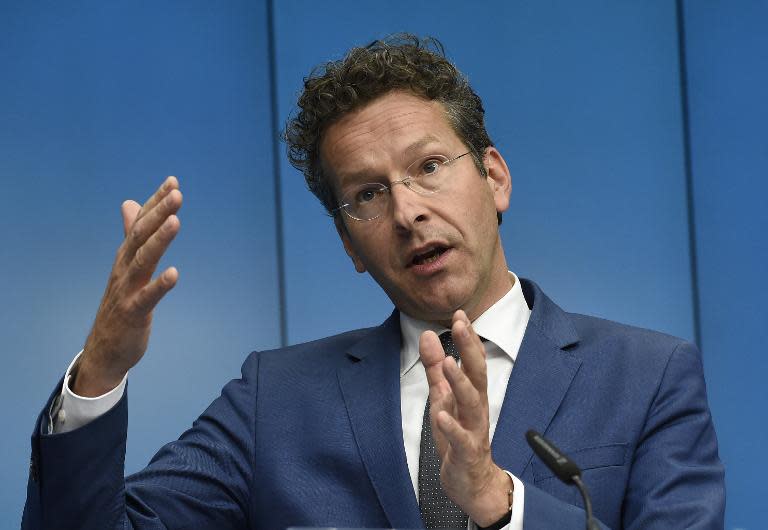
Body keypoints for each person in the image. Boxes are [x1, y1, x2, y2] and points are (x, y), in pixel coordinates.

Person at [23, 34, 724, 529]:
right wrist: (101, 371)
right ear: (348, 243)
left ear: (495, 177)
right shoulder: (277, 400)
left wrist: (496, 500)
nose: (408, 210)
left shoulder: (648, 376)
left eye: (428, 167)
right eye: (366, 194)